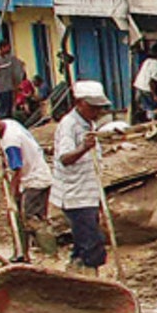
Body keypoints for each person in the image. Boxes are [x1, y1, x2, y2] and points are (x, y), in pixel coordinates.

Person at [51, 80, 113, 271]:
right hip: (75, 196)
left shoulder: (89, 123)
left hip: (88, 192)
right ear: (79, 103)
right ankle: (90, 280)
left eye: (99, 108)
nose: (97, 112)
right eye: (92, 107)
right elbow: (65, 158)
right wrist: (84, 148)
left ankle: (75, 275)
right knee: (92, 246)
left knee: (83, 244)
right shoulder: (69, 125)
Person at [0, 111, 53, 260]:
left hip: (34, 180)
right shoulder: (9, 123)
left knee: (33, 219)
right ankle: (22, 253)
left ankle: (51, 255)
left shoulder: (11, 140)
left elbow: (17, 168)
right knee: (21, 219)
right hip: (34, 175)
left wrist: (13, 192)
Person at [0, 40, 25, 121]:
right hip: (1, 90)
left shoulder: (8, 58)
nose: (9, 49)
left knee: (9, 110)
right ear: (2, 47)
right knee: (3, 111)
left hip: (9, 88)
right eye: (7, 47)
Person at [132, 45, 157, 124]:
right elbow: (151, 82)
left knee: (143, 107)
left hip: (139, 86)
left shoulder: (148, 61)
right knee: (151, 107)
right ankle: (151, 122)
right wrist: (154, 95)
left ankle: (143, 121)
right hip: (146, 88)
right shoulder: (156, 66)